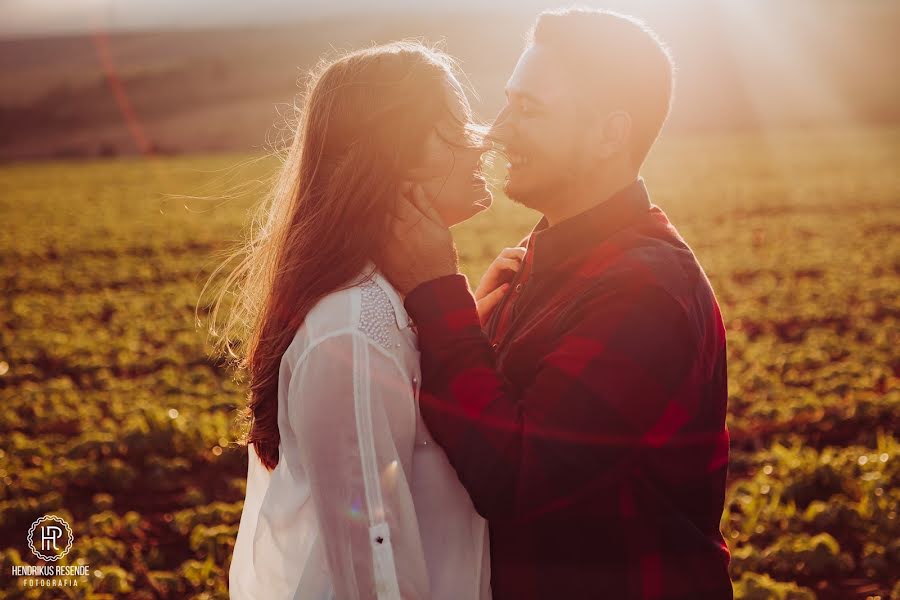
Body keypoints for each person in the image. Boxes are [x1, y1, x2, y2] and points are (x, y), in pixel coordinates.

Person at [378, 9, 733, 599]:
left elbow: (516, 477)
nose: (497, 129)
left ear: (609, 134)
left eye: (529, 109)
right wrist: (469, 326)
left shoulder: (645, 288)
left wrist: (438, 296)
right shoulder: (547, 253)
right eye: (508, 101)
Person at [216, 41, 513, 599]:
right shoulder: (352, 329)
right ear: (393, 154)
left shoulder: (394, 307)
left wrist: (456, 324)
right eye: (453, 126)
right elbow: (374, 571)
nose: (483, 141)